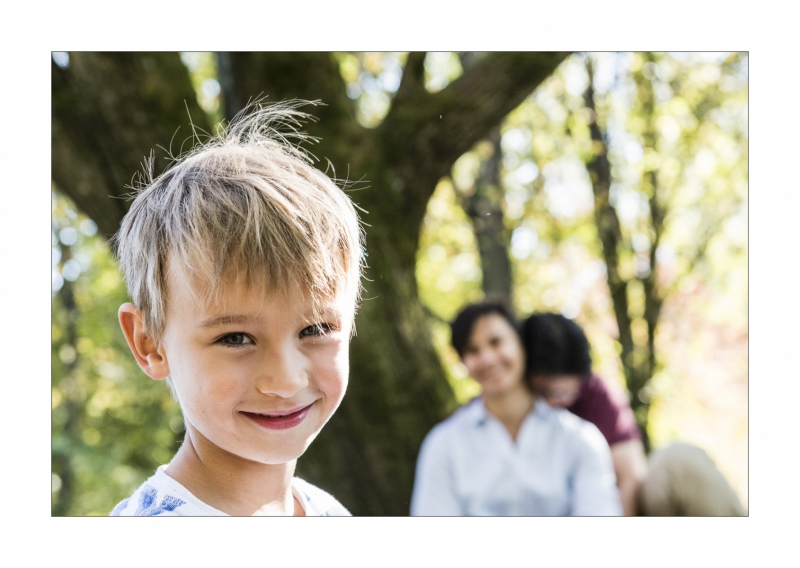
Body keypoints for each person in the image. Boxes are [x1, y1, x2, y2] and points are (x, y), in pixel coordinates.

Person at [109, 101, 365, 516]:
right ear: (149, 344)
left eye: (315, 329)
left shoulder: (327, 512)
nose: (284, 380)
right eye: (235, 338)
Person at [520, 312, 746, 516]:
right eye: (546, 392)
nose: (559, 402)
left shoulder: (596, 393)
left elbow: (631, 476)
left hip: (619, 511)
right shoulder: (500, 414)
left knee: (679, 459)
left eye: (568, 393)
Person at [410, 301, 621, 516]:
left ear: (521, 344)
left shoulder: (579, 438)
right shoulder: (444, 444)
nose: (487, 359)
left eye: (496, 342)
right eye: (472, 350)